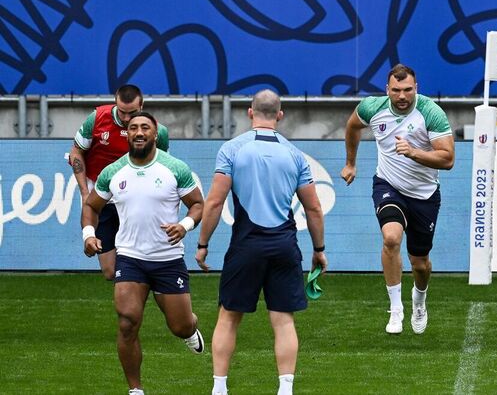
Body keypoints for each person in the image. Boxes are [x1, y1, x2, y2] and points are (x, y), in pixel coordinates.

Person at [196, 89, 327, 395]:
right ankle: (285, 390)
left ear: (249, 112)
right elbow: (314, 209)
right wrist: (319, 250)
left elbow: (214, 202)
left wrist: (203, 244)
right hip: (284, 246)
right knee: (283, 320)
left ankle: (219, 388)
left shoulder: (231, 149)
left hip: (246, 245)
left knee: (229, 317)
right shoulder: (295, 155)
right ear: (280, 115)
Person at [81, 110, 204, 395]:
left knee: (180, 326)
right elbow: (91, 206)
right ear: (127, 134)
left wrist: (184, 225)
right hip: (130, 258)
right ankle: (135, 390)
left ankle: (191, 328)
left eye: (145, 128)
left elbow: (198, 204)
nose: (138, 132)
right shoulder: (113, 172)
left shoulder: (175, 168)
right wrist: (88, 234)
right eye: (133, 127)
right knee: (127, 322)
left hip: (168, 260)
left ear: (155, 134)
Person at [341, 64, 454, 335]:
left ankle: (419, 299)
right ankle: (395, 309)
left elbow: (447, 159)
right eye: (396, 90)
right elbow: (353, 126)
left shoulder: (430, 112)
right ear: (387, 90)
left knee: (420, 264)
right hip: (388, 185)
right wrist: (350, 163)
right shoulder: (372, 108)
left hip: (424, 194)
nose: (402, 96)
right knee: (391, 238)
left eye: (407, 90)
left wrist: (414, 152)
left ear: (416, 88)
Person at [70, 84, 170, 280]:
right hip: (103, 198)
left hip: (135, 199)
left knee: (145, 258)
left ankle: (145, 287)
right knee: (110, 271)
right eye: (121, 112)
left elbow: (162, 165)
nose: (125, 118)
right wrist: (84, 192)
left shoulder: (158, 131)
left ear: (141, 106)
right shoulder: (97, 118)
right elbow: (76, 152)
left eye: (131, 113)